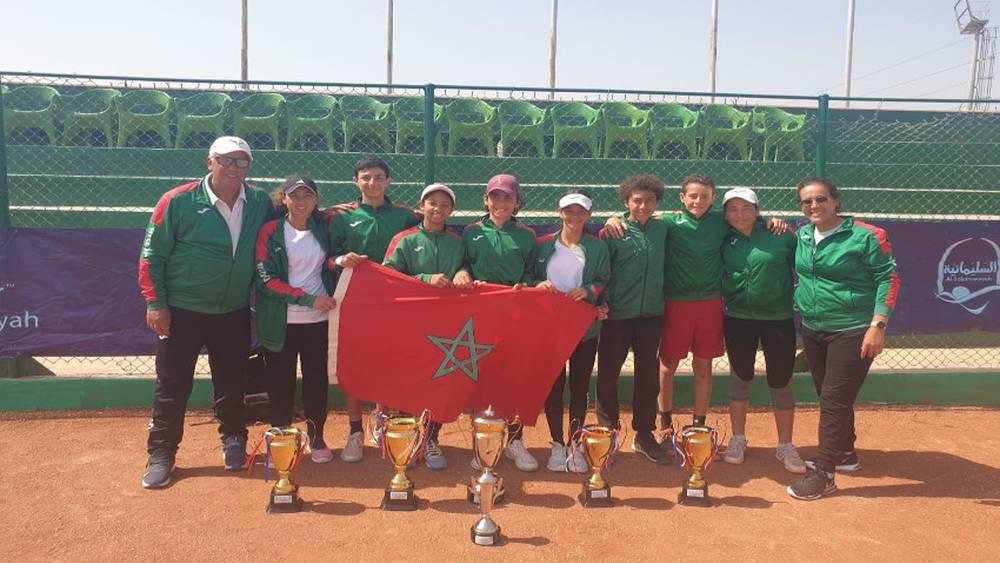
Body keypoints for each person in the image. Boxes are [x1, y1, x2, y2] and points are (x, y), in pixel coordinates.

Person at [139, 136, 273, 489]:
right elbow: (152, 256)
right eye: (226, 160)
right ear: (209, 162)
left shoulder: (258, 200)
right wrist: (156, 302)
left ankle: (233, 440)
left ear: (249, 167)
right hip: (182, 312)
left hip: (233, 310)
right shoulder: (177, 201)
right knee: (172, 386)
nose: (233, 168)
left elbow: (299, 209)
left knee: (232, 382)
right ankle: (162, 452)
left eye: (241, 162)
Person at [786, 177, 900, 501]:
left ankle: (824, 475)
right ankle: (846, 454)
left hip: (853, 329)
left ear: (836, 200)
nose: (813, 206)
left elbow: (888, 278)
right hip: (813, 327)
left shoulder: (866, 235)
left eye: (821, 199)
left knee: (834, 400)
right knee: (829, 395)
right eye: (806, 201)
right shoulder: (803, 234)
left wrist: (877, 325)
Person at [327, 158, 420, 463]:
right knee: (354, 365)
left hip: (397, 304)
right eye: (366, 177)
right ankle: (355, 432)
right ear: (356, 181)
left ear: (389, 182)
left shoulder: (406, 216)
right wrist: (341, 260)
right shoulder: (341, 216)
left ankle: (388, 422)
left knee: (394, 363)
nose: (372, 183)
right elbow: (327, 258)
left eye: (379, 177)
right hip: (355, 302)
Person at [453, 174, 540, 472]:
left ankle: (515, 440)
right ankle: (482, 443)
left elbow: (532, 272)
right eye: (496, 196)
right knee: (480, 377)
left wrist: (524, 286)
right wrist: (462, 273)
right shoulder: (470, 232)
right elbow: (461, 263)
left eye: (508, 197)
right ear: (485, 199)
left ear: (517, 203)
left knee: (513, 378)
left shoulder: (527, 235)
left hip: (515, 315)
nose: (501, 203)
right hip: (479, 315)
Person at [718, 188, 805, 474]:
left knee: (781, 380)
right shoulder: (722, 237)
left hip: (777, 318)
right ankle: (738, 439)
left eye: (746, 208)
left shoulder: (781, 236)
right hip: (737, 318)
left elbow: (803, 270)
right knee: (740, 377)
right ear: (725, 213)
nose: (739, 214)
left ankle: (785, 445)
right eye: (732, 209)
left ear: (758, 210)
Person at [254, 175, 338, 464]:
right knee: (280, 383)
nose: (301, 201)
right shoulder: (270, 231)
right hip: (281, 320)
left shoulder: (324, 226)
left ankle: (316, 438)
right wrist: (307, 298)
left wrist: (336, 263)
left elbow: (330, 259)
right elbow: (266, 280)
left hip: (318, 320)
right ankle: (281, 438)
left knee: (316, 382)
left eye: (307, 195)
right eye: (295, 196)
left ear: (316, 200)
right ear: (284, 199)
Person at [383, 183, 464, 470]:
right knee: (410, 380)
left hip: (447, 324)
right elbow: (389, 276)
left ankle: (431, 438)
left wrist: (464, 272)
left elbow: (465, 267)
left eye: (445, 204)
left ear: (451, 210)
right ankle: (408, 436)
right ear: (421, 206)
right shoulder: (404, 239)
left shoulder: (457, 241)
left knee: (441, 382)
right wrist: (425, 278)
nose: (438, 209)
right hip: (412, 323)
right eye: (433, 203)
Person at [596, 175, 672, 465]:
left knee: (648, 377)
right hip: (617, 315)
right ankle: (607, 431)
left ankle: (644, 435)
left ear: (657, 203)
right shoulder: (613, 231)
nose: (643, 205)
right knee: (608, 374)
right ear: (626, 202)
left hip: (651, 315)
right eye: (637, 200)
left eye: (650, 200)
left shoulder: (664, 229)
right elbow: (602, 271)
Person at [532, 190, 610, 473]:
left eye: (581, 212)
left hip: (584, 327)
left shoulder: (598, 247)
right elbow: (529, 277)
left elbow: (604, 280)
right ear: (560, 212)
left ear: (589, 215)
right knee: (553, 387)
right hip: (549, 327)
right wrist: (539, 284)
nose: (574, 217)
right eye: (569, 211)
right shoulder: (542, 245)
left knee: (579, 387)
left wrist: (589, 290)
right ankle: (556, 444)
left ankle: (575, 443)